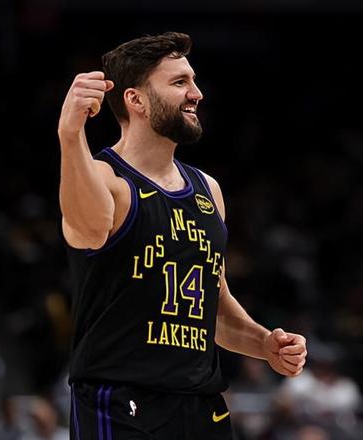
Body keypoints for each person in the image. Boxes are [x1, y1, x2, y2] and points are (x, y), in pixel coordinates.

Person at [57, 31, 307, 440]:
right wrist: (70, 135)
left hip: (201, 405)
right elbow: (85, 227)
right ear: (135, 100)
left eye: (193, 80)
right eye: (179, 82)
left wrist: (264, 344)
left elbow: (216, 308)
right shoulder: (106, 179)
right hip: (123, 404)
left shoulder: (209, 190)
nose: (197, 93)